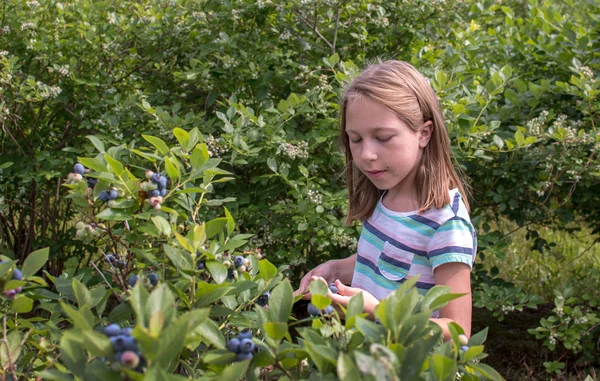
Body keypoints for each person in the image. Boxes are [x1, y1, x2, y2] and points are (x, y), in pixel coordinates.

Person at [295, 60, 477, 339]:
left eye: (383, 137)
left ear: (424, 134)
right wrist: (335, 268)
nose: (366, 154)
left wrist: (378, 313)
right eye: (355, 139)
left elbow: (458, 330)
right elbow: (382, 261)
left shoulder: (445, 224)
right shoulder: (387, 196)